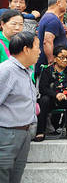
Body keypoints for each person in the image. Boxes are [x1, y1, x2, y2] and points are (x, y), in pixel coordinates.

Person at [0, 31, 39, 183]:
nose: (39, 51)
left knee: (16, 176)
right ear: (26, 49)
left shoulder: (26, 71)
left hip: (24, 133)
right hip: (7, 134)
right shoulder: (6, 70)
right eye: (37, 47)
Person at [35, 45, 67, 141]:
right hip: (52, 100)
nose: (65, 60)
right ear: (54, 58)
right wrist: (56, 94)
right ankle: (40, 132)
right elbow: (43, 88)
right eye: (62, 57)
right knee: (44, 100)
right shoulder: (47, 71)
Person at [36, 0, 67, 72]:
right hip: (49, 66)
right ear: (58, 3)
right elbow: (47, 42)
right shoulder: (52, 19)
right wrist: (51, 63)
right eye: (65, 1)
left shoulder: (49, 17)